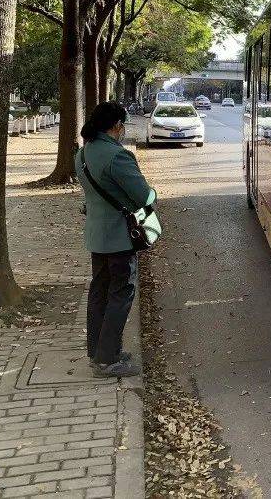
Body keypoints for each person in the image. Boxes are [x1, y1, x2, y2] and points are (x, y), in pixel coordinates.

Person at [75, 102, 153, 378]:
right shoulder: (117, 157)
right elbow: (144, 197)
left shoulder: (83, 154)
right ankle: (107, 360)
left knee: (99, 293)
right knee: (121, 294)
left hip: (97, 235)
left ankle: (99, 350)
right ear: (117, 125)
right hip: (120, 236)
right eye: (123, 125)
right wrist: (151, 194)